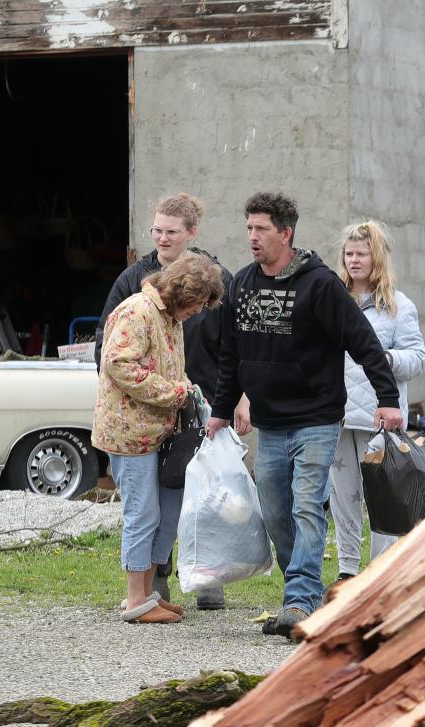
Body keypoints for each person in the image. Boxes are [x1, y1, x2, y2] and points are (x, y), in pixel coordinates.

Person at [206, 192, 402, 638]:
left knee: (308, 505)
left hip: (316, 417)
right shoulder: (242, 285)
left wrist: (387, 398)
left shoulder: (320, 285)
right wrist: (221, 409)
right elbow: (230, 354)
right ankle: (305, 589)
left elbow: (364, 343)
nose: (252, 237)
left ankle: (300, 596)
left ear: (286, 233)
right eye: (249, 227)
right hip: (271, 423)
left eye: (262, 229)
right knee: (276, 510)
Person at [94, 192, 247, 611]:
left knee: (170, 508)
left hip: (166, 425)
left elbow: (190, 362)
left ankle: (155, 594)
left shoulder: (171, 313)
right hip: (133, 433)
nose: (198, 314)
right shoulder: (139, 306)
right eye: (196, 307)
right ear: (183, 295)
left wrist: (200, 398)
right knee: (143, 514)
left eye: (171, 231)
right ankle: (137, 600)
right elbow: (116, 363)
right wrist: (176, 393)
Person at [329, 221, 425, 580]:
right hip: (338, 416)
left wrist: (382, 358)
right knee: (343, 499)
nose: (354, 260)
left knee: (384, 497)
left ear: (378, 257)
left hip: (379, 417)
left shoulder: (399, 306)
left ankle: (382, 573)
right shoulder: (332, 299)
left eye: (362, 253)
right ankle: (346, 571)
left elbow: (418, 358)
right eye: (349, 253)